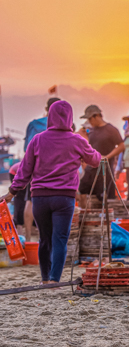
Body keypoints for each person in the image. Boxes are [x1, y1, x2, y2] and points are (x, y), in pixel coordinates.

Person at [1, 101, 101, 284]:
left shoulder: (37, 139)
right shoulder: (77, 140)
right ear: (70, 118)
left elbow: (24, 170)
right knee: (60, 239)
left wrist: (12, 192)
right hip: (65, 198)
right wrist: (86, 142)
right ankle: (55, 280)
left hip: (40, 197)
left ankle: (45, 280)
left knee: (44, 239)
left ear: (50, 116)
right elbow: (95, 160)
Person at [22, 97, 61, 240]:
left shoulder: (34, 124)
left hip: (36, 166)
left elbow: (27, 148)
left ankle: (27, 237)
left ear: (46, 109)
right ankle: (47, 235)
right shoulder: (64, 125)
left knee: (30, 200)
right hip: (56, 168)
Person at [78, 105, 124, 201]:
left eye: (90, 119)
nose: (90, 122)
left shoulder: (111, 129)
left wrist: (107, 156)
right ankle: (84, 214)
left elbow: (121, 146)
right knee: (82, 189)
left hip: (105, 169)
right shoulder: (91, 130)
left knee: (103, 196)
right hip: (91, 168)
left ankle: (103, 214)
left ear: (96, 116)